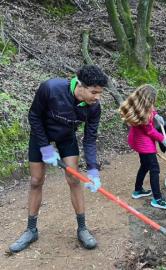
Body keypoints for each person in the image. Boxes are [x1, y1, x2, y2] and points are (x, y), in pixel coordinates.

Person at [9, 65, 108, 253]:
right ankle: (31, 230)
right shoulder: (50, 88)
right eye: (94, 92)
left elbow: (89, 139)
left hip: (66, 137)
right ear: (80, 85)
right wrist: (45, 147)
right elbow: (34, 116)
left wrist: (93, 169)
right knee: (36, 181)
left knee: (74, 178)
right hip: (41, 136)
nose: (97, 97)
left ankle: (82, 228)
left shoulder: (94, 108)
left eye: (100, 93)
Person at [119, 84, 166, 210]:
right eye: (152, 102)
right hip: (144, 144)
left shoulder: (140, 105)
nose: (153, 104)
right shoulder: (142, 114)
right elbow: (150, 131)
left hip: (137, 139)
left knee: (144, 166)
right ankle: (157, 199)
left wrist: (155, 115)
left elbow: (151, 110)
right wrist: (163, 139)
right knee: (154, 169)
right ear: (146, 100)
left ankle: (138, 191)